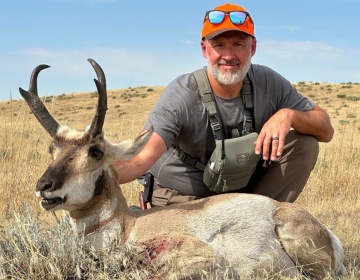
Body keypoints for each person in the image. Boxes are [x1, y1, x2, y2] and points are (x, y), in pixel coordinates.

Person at [114, 3, 334, 207]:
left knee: (305, 144)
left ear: (253, 47)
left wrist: (289, 115)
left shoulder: (269, 83)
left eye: (238, 44)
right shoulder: (181, 94)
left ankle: (256, 222)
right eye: (218, 45)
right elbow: (139, 159)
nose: (228, 56)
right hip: (184, 199)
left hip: (242, 195)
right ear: (204, 49)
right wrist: (90, 175)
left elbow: (326, 129)